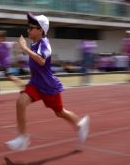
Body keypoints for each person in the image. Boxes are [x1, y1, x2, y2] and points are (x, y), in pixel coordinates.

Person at [5, 13, 90, 151]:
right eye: (28, 27)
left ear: (41, 30)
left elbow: (42, 60)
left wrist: (24, 48)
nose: (28, 30)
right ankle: (22, 137)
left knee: (60, 112)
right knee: (21, 102)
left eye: (31, 27)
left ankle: (80, 125)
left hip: (48, 86)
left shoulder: (45, 44)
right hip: (35, 84)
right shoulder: (34, 44)